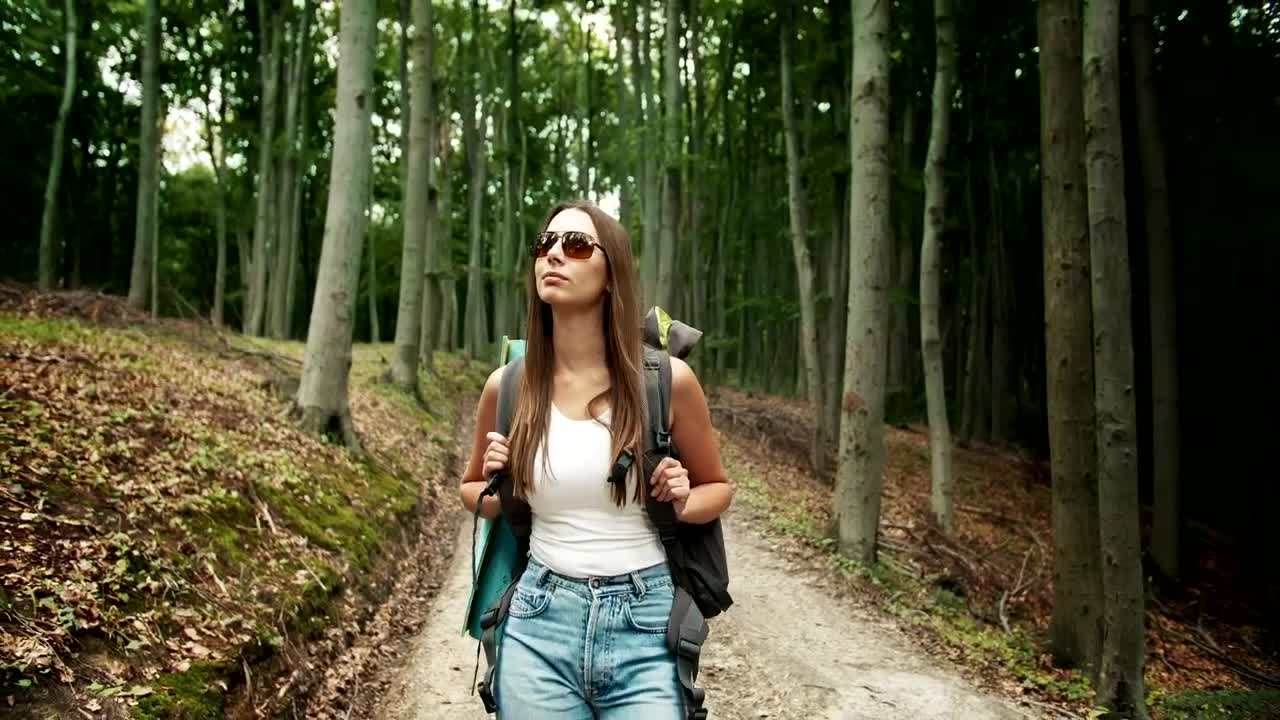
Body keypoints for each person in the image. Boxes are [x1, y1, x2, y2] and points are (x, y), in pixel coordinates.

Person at [459, 200, 734, 719]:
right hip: (539, 620)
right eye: (545, 245)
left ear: (612, 276)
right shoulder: (508, 386)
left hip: (646, 624)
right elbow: (470, 490)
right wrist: (494, 487)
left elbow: (718, 488)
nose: (554, 255)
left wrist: (681, 499)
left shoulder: (667, 382)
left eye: (577, 245)